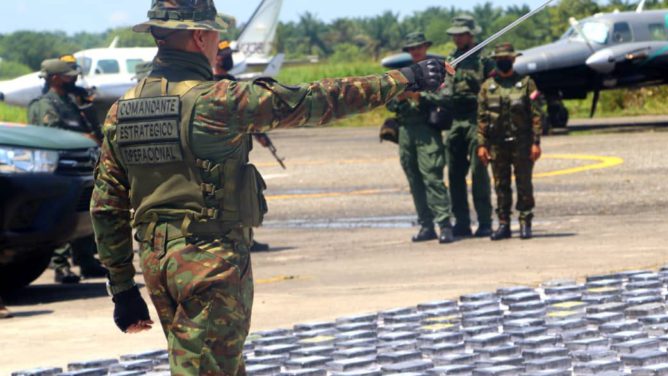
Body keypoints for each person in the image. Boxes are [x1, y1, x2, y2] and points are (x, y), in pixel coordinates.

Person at [90, 1, 445, 374]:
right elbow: (317, 100)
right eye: (215, 36)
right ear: (199, 36)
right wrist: (405, 79)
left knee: (205, 364)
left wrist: (123, 288)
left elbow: (106, 206)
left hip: (157, 264)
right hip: (208, 262)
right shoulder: (219, 102)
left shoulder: (123, 110)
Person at [28, 56, 108, 283]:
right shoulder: (45, 104)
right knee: (61, 215)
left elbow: (90, 128)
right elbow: (50, 133)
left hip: (81, 166)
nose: (73, 79)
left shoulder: (71, 102)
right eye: (68, 75)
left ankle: (87, 261)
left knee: (85, 214)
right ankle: (60, 266)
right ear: (55, 78)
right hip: (60, 168)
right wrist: (85, 137)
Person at [387, 32, 453, 244]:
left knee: (433, 177)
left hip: (427, 129)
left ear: (426, 47)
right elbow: (389, 103)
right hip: (406, 131)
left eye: (419, 47)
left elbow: (446, 96)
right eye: (412, 48)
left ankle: (444, 225)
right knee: (414, 180)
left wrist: (420, 96)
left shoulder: (437, 71)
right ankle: (426, 225)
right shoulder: (401, 74)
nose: (416, 51)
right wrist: (399, 97)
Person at [432, 15, 494, 239]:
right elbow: (443, 88)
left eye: (461, 34)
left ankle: (485, 222)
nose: (457, 39)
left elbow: (493, 89)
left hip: (476, 119)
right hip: (455, 120)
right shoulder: (451, 59)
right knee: (455, 174)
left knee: (479, 173)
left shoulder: (484, 59)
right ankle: (462, 222)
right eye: (454, 35)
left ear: (470, 34)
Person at [477, 43, 543, 240]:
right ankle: (504, 223)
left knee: (524, 184)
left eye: (506, 58)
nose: (503, 62)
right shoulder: (487, 87)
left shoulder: (527, 83)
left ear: (513, 59)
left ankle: (525, 221)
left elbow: (536, 114)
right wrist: (482, 144)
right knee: (500, 185)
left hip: (522, 142)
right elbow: (481, 118)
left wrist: (536, 142)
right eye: (499, 59)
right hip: (497, 144)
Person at [213, 40, 272, 252]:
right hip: (216, 151)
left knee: (244, 196)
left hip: (237, 151)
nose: (226, 57)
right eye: (222, 54)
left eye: (228, 53)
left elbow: (248, 115)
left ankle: (247, 238)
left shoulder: (232, 83)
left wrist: (261, 136)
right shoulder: (208, 84)